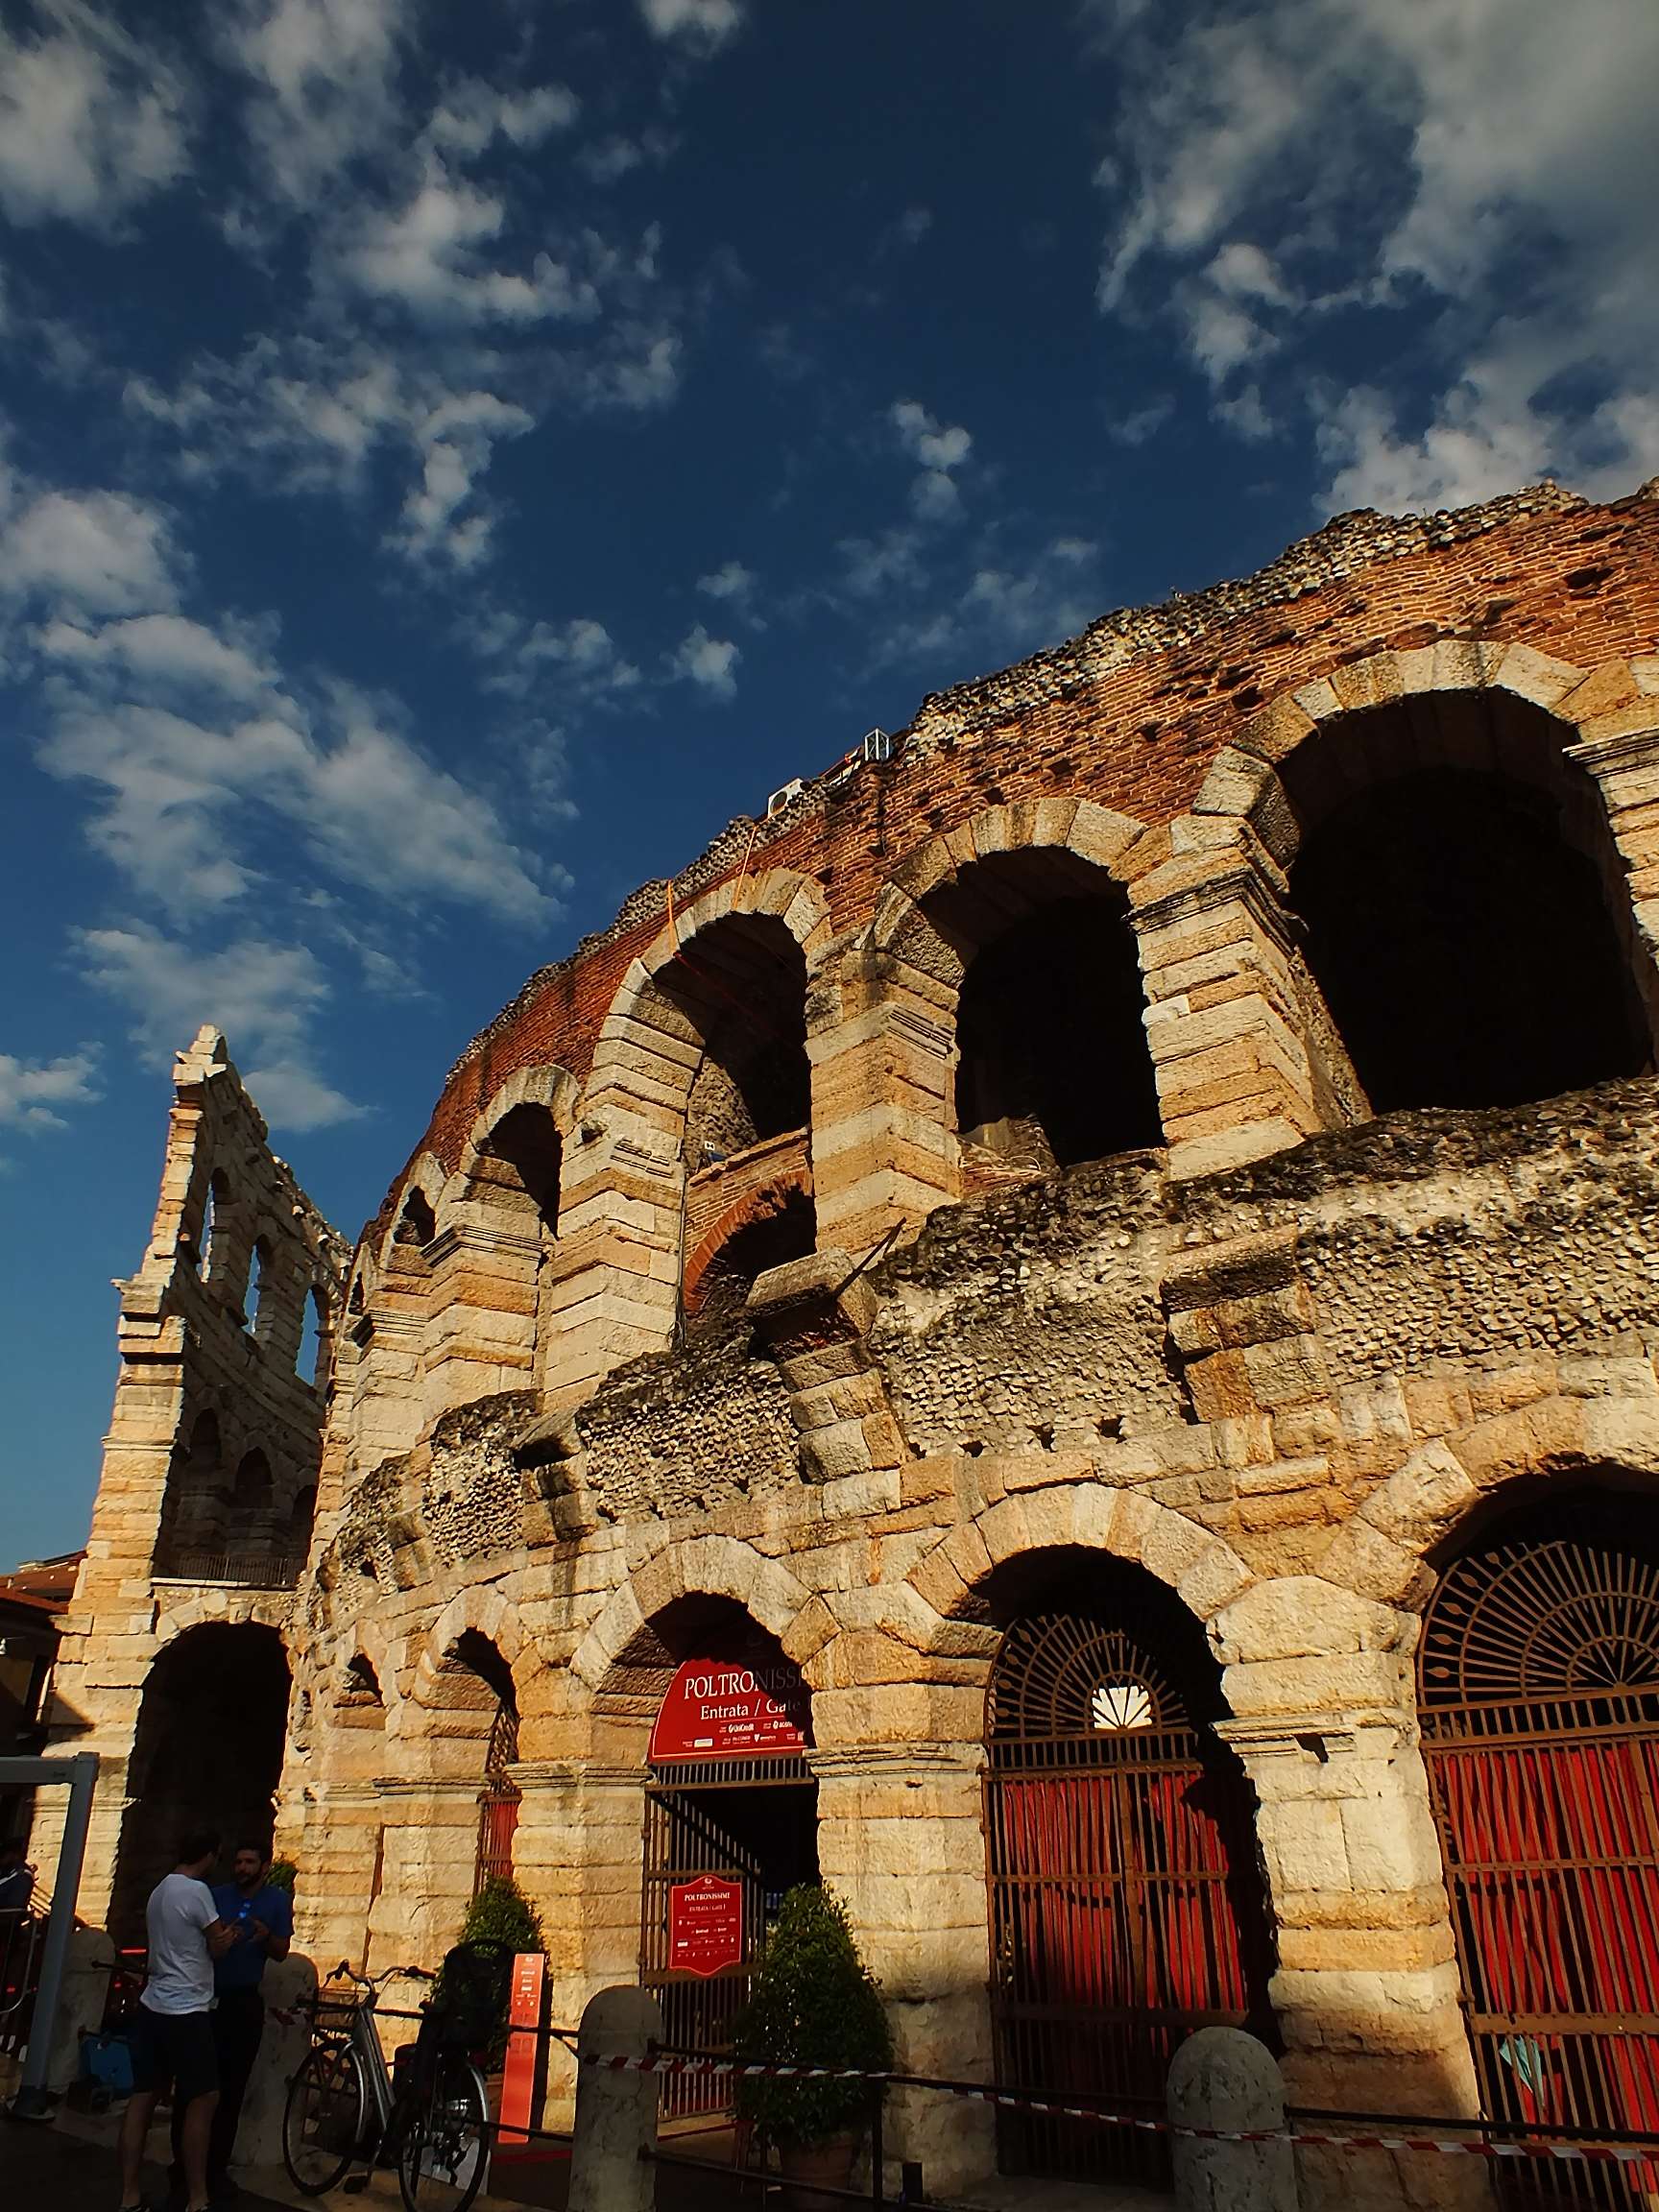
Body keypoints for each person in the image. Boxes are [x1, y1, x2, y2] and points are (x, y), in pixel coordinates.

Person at [118, 1830, 235, 2212]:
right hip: (186, 2009)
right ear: (209, 1856)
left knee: (142, 2098)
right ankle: (198, 2197)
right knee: (203, 2099)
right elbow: (216, 1945)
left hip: (153, 2004)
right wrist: (230, 1937)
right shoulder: (197, 1891)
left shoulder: (159, 1892)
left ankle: (129, 2195)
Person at [196, 1841, 293, 2203]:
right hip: (207, 1999)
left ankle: (215, 2169)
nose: (242, 1868)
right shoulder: (215, 1895)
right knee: (199, 2086)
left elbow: (282, 1952)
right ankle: (187, 2164)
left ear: (264, 1866)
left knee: (232, 2089)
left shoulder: (277, 1901)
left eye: (249, 1862)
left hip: (243, 2001)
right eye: (238, 1862)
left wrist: (266, 1937)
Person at [0, 1837, 34, 1914]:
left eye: (3, 1854)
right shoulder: (7, 1871)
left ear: (14, 1855)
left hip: (5, 1918)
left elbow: (14, 1904)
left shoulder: (22, 1876)